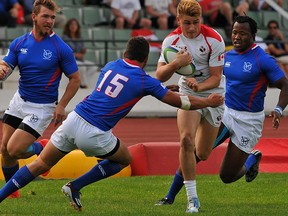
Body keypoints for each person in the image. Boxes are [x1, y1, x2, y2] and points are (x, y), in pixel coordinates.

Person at [0, 36, 224, 210]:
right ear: (146, 60)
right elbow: (181, 103)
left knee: (39, 165)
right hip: (94, 131)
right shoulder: (144, 80)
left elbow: (132, 84)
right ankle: (75, 185)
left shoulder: (111, 65)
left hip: (74, 119)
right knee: (124, 159)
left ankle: (1, 196)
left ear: (125, 53)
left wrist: (162, 88)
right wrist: (209, 100)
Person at [155, 15, 288, 213]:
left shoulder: (263, 59)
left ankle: (251, 159)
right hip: (226, 112)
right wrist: (183, 86)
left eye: (242, 33)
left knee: (227, 176)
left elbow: (285, 84)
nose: (237, 37)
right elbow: (210, 76)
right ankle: (170, 196)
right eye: (234, 32)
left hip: (249, 121)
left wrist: (278, 109)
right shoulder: (227, 55)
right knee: (193, 153)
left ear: (253, 35)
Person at [0, 0, 80, 199]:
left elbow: (75, 79)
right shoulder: (19, 43)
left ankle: (41, 147)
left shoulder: (60, 48)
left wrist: (61, 106)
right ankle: (13, 194)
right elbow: (6, 67)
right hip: (20, 101)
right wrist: (2, 70)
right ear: (34, 17)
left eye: (52, 17)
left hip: (41, 108)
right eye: (45, 16)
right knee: (4, 149)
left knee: (15, 149)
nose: (50, 21)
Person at [154, 0, 226, 213]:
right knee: (186, 140)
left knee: (202, 153)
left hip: (214, 95)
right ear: (178, 21)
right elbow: (159, 75)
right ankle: (192, 199)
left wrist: (200, 85)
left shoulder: (214, 39)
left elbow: (216, 77)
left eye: (196, 22)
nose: (192, 27)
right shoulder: (171, 41)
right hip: (187, 93)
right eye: (187, 23)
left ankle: (228, 127)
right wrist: (176, 63)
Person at [62, 18, 99, 88]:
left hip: (79, 60)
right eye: (71, 24)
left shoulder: (80, 37)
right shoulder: (64, 38)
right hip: (70, 60)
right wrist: (76, 55)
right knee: (82, 67)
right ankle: (83, 85)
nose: (73, 26)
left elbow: (82, 50)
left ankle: (81, 82)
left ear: (77, 27)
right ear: (68, 26)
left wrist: (83, 52)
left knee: (94, 66)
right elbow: (64, 52)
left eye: (75, 24)